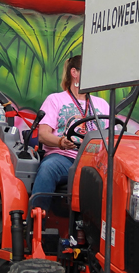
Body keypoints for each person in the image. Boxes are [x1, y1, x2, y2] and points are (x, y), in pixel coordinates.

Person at [33, 55, 109, 200]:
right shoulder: (55, 99)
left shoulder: (102, 104)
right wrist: (61, 142)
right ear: (74, 73)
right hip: (64, 158)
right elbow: (43, 135)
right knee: (48, 168)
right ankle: (37, 216)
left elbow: (112, 135)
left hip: (96, 161)